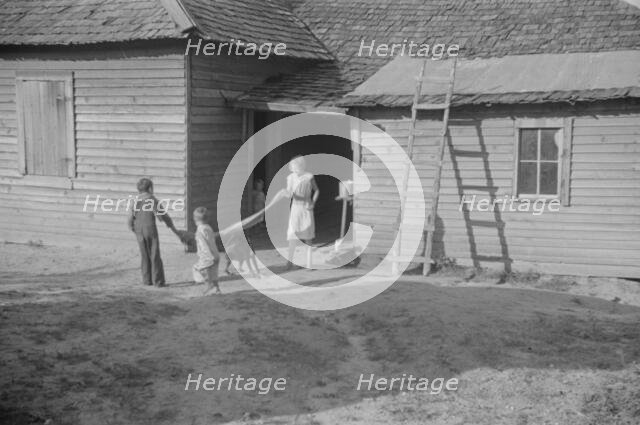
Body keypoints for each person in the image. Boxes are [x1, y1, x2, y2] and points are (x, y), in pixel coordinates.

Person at [127, 178, 179, 287]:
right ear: (150, 188)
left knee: (144, 255)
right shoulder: (152, 199)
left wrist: (132, 228)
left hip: (138, 230)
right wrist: (172, 227)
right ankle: (158, 281)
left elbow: (130, 218)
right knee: (154, 254)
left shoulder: (135, 200)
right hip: (150, 228)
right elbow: (163, 216)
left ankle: (147, 280)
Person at [284, 156, 319, 270]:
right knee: (293, 236)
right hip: (295, 209)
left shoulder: (309, 176)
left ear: (301, 166)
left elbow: (317, 190)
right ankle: (289, 262)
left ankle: (309, 263)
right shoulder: (290, 177)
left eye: (296, 166)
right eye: (293, 167)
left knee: (308, 236)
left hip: (306, 208)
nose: (294, 168)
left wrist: (313, 203)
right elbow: (289, 192)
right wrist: (286, 194)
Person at [192, 207, 221, 295]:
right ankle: (216, 288)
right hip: (216, 254)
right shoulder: (208, 227)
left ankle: (209, 285)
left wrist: (206, 256)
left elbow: (203, 244)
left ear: (195, 219)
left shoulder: (199, 230)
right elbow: (211, 239)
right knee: (214, 273)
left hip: (208, 256)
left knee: (198, 269)